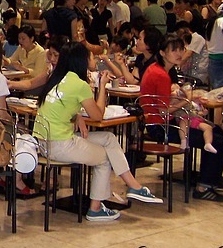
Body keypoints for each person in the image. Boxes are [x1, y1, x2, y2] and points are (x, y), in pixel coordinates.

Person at [33, 41, 162, 222]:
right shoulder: (79, 84)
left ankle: (133, 185)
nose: (92, 59)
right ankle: (95, 209)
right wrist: (102, 86)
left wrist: (77, 115)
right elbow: (98, 115)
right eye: (89, 56)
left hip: (44, 142)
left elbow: (62, 106)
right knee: (104, 158)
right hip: (60, 144)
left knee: (108, 138)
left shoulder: (56, 78)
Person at [140, 34, 223, 201]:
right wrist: (186, 100)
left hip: (164, 122)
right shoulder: (160, 74)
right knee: (217, 140)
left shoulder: (160, 69)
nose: (179, 53)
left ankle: (204, 177)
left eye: (181, 49)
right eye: (174, 50)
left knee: (215, 130)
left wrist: (185, 99)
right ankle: (204, 187)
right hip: (160, 127)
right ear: (162, 53)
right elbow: (164, 111)